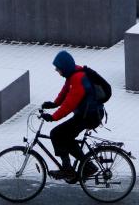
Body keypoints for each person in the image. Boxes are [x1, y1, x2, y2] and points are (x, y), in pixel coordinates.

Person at [41, 50, 103, 181]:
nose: (58, 72)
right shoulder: (72, 75)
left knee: (56, 134)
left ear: (65, 67)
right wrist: (54, 104)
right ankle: (84, 166)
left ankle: (70, 169)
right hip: (85, 114)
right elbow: (65, 92)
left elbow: (69, 104)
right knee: (65, 137)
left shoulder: (77, 79)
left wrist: (53, 117)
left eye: (58, 69)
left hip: (90, 116)